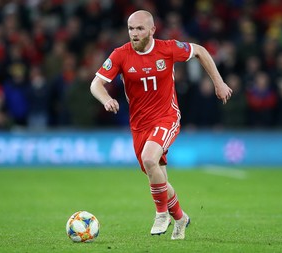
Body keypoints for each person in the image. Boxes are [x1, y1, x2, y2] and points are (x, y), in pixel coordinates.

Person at [90, 10, 232, 240]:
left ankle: (161, 214)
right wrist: (106, 99)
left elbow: (201, 51)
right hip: (139, 124)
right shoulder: (120, 55)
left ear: (152, 30)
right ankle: (180, 218)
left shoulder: (167, 48)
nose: (134, 34)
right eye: (131, 29)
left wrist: (219, 82)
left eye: (139, 29)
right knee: (157, 177)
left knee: (149, 159)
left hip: (167, 116)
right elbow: (95, 84)